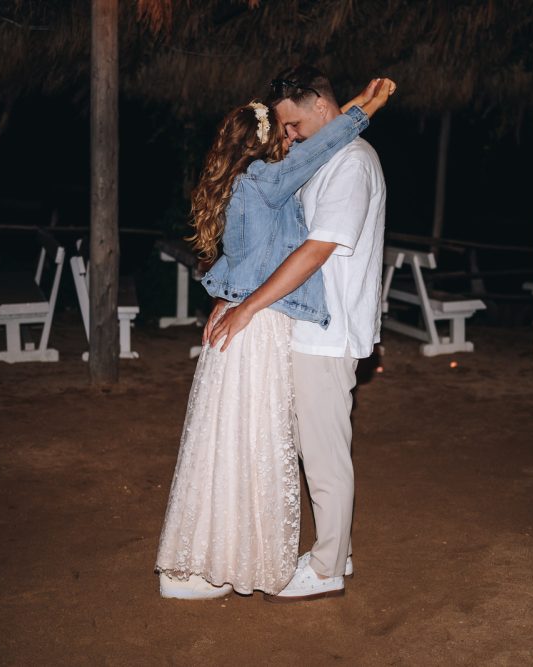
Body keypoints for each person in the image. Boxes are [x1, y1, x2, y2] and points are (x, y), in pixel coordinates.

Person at [155, 78, 395, 599]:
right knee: (274, 444)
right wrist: (236, 297)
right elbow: (259, 248)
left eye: (295, 125)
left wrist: (242, 301)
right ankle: (325, 554)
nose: (293, 137)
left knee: (320, 453)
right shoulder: (279, 174)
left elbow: (314, 248)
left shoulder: (348, 163)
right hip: (288, 327)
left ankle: (328, 565)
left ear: (321, 106)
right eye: (284, 130)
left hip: (324, 330)